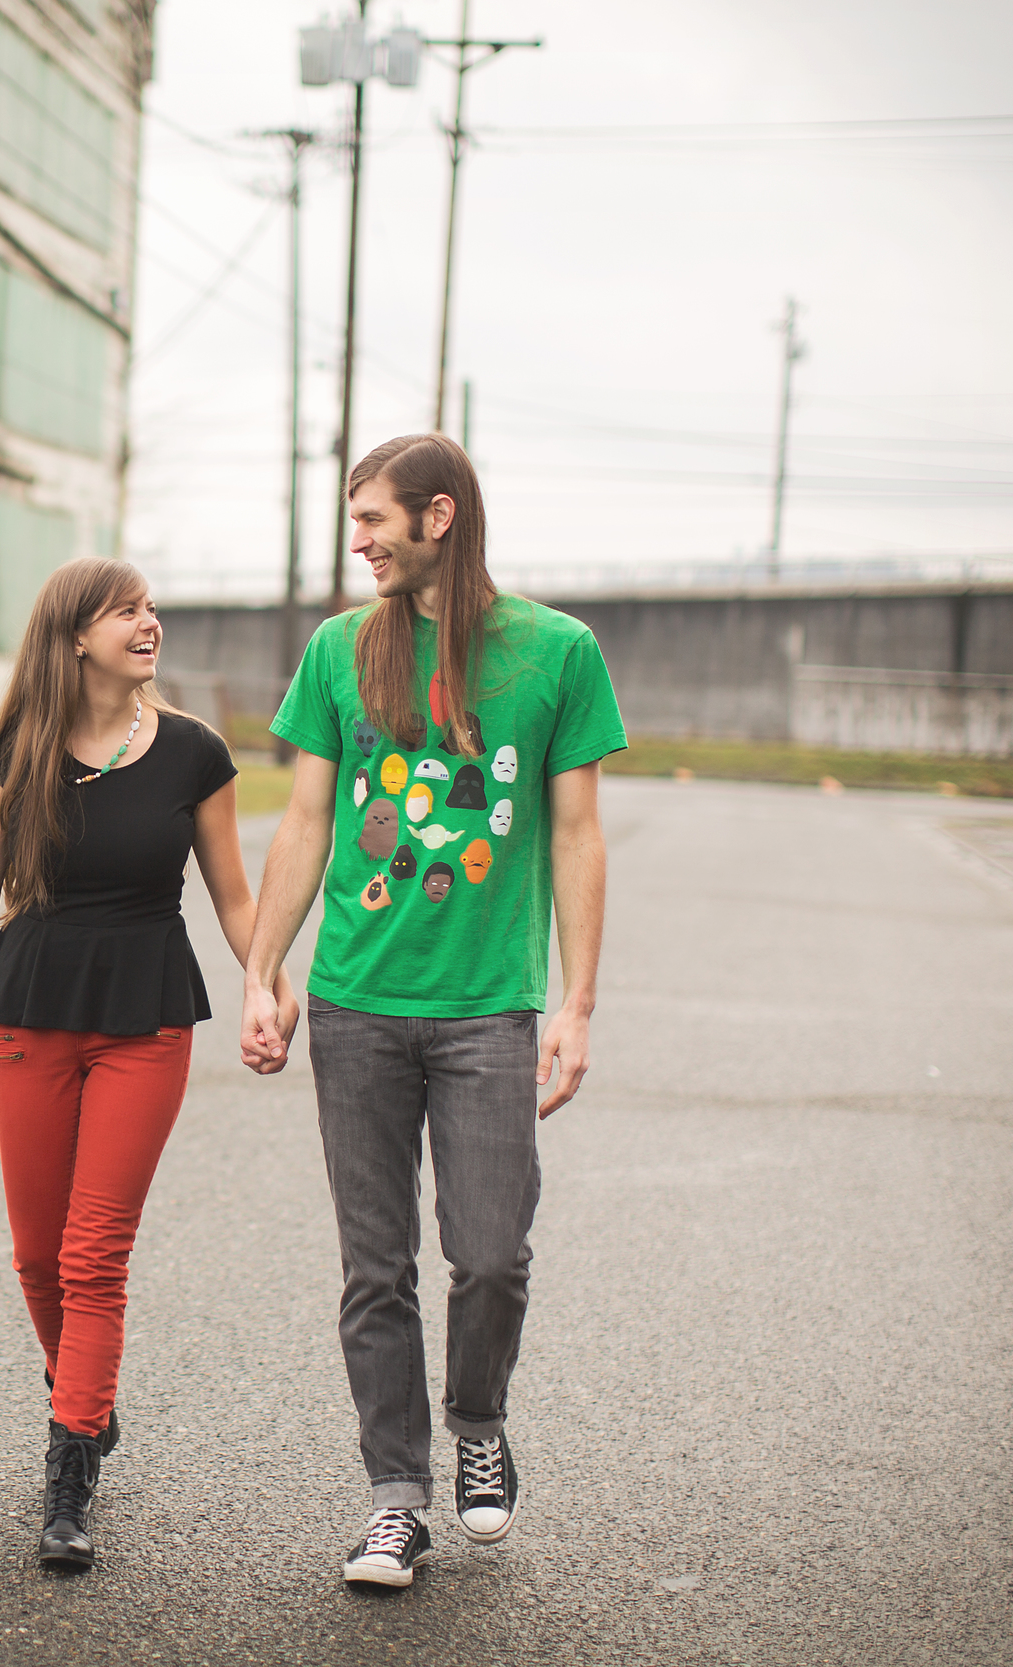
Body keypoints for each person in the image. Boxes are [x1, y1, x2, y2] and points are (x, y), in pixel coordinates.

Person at [240, 434, 624, 1588]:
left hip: (486, 1008)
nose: (358, 540)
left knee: (490, 1253)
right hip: (356, 1002)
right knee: (375, 1268)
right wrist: (262, 970)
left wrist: (576, 1002)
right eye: (354, 518)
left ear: (439, 515)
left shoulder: (557, 652)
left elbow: (576, 833)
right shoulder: (339, 648)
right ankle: (395, 1499)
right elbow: (306, 819)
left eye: (373, 518)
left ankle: (478, 1421)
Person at [0, 557, 297, 1572]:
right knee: (38, 1254)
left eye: (151, 607)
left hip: (144, 1017)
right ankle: (84, 1389)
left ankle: (70, 1465)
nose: (148, 622)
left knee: (93, 1252)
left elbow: (233, 895)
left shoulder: (195, 753)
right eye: (125, 611)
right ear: (75, 636)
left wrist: (264, 981)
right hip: (28, 1010)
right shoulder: (17, 751)